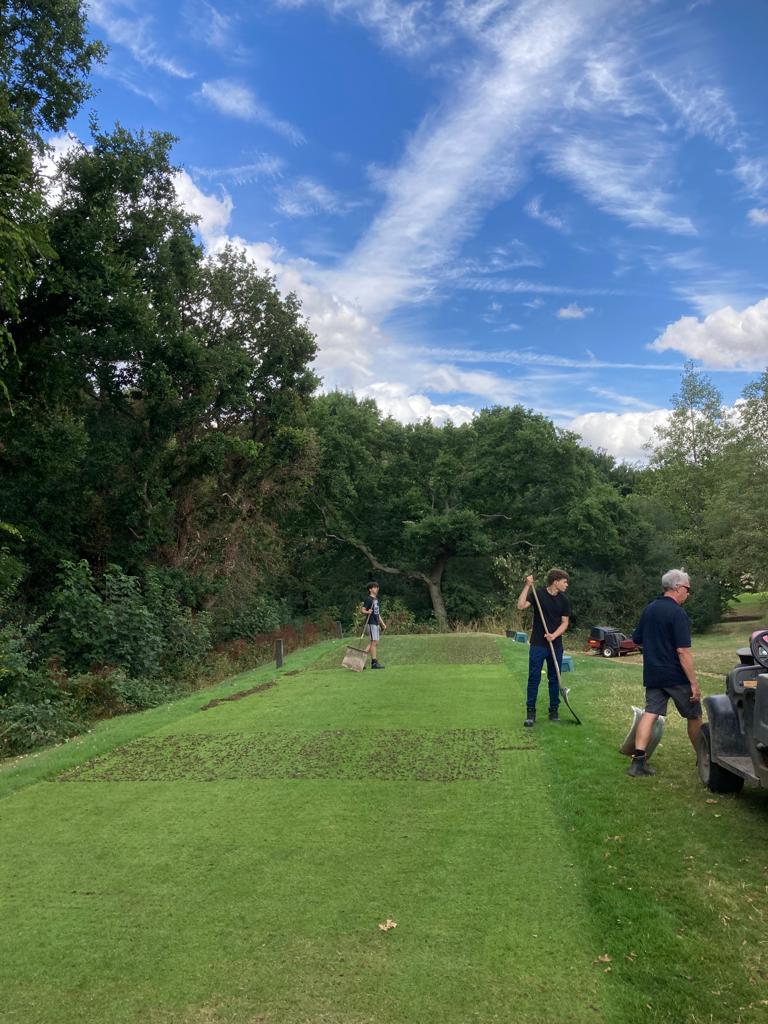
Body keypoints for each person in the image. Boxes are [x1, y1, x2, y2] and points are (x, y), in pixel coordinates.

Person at [627, 568, 702, 778]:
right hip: (676, 676)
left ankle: (638, 762)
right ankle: (705, 758)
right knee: (694, 715)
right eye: (687, 588)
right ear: (677, 588)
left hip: (653, 674)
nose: (688, 593)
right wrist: (694, 683)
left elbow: (637, 639)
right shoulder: (678, 613)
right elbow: (683, 651)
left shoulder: (649, 609)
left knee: (650, 714)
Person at [517, 569, 570, 726]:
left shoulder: (564, 601)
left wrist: (554, 635)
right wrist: (527, 586)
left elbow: (565, 622)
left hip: (556, 645)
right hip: (538, 644)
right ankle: (530, 713)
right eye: (564, 581)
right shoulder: (538, 594)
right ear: (555, 581)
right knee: (534, 678)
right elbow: (520, 605)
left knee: (555, 678)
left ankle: (554, 711)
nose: (566, 585)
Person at [361, 581, 387, 669]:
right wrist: (367, 611)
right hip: (370, 623)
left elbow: (377, 613)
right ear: (370, 589)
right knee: (374, 642)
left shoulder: (376, 600)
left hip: (375, 623)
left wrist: (382, 624)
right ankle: (374, 662)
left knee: (375, 642)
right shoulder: (369, 599)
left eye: (377, 587)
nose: (377, 589)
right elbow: (362, 610)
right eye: (375, 587)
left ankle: (361, 660)